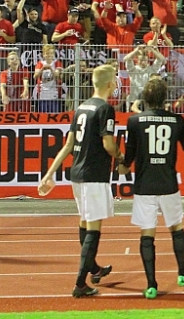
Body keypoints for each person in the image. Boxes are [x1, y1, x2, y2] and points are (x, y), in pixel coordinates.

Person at [37, 64, 122, 298]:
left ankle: (93, 268)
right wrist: (120, 156)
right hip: (94, 174)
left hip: (77, 173)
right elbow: (108, 144)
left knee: (85, 221)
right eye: (114, 80)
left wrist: (49, 174)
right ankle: (80, 283)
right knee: (94, 227)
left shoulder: (81, 108)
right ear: (109, 84)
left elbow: (68, 145)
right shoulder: (105, 109)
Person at [117, 77, 184, 298]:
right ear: (164, 97)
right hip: (168, 182)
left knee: (147, 234)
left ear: (145, 98)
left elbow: (130, 155)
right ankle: (182, 273)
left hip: (144, 184)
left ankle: (151, 285)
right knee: (176, 228)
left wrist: (122, 165)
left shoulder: (134, 121)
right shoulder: (177, 120)